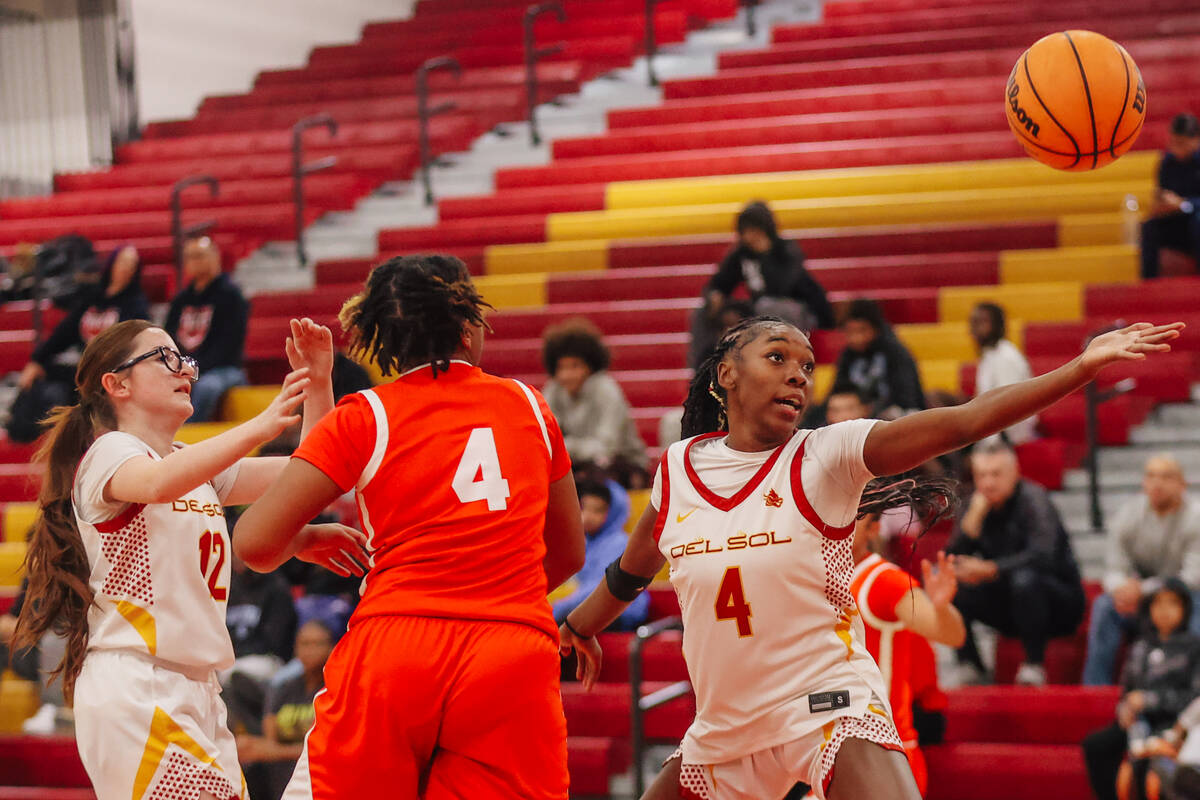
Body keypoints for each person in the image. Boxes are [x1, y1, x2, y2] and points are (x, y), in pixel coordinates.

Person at [559, 314, 1181, 800]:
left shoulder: (826, 454)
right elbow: (630, 571)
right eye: (777, 358)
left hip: (826, 705)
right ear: (726, 373)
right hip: (722, 728)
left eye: (807, 366)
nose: (799, 375)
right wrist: (578, 627)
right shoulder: (678, 469)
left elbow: (963, 421)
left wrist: (1077, 369)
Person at [232, 254, 586, 799]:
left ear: (385, 343)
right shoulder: (530, 405)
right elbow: (568, 552)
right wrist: (494, 600)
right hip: (510, 649)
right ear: (468, 326)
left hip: (397, 648)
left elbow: (254, 543)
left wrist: (306, 540)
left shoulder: (366, 414)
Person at [10, 317, 367, 800]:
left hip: (197, 689)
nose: (186, 371)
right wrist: (260, 424)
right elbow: (159, 484)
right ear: (116, 384)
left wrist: (319, 382)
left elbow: (310, 467)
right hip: (140, 684)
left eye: (187, 360)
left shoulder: (190, 465)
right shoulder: (109, 453)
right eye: (165, 358)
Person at [946, 441, 1085, 686]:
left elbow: (1043, 556)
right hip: (1009, 604)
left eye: (996, 474)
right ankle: (971, 666)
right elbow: (952, 560)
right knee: (951, 583)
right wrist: (970, 527)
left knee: (1025, 579)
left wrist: (992, 569)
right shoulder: (974, 504)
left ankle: (1034, 665)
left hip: (1058, 603)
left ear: (1015, 473)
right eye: (982, 475)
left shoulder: (1035, 499)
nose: (988, 482)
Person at [850, 509, 966, 796]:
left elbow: (951, 635)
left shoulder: (885, 581)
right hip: (832, 749)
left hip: (883, 752)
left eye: (852, 518)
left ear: (873, 529)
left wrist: (941, 607)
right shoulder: (813, 580)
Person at [8, 244, 149, 443]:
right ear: (112, 264)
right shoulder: (92, 298)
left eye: (132, 264)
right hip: (83, 368)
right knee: (45, 374)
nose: (126, 267)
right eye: (123, 262)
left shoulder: (136, 305)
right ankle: (28, 430)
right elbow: (64, 332)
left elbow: (134, 345)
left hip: (111, 372)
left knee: (77, 384)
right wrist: (37, 361)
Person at [1084, 455, 1200, 686]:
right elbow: (1114, 568)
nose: (1157, 483)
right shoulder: (1128, 514)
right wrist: (1122, 589)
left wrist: (1145, 589)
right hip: (1142, 602)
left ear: (1182, 484)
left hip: (1185, 598)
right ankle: (1095, 690)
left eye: (1166, 477)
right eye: (1151, 476)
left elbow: (1193, 577)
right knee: (1105, 606)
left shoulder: (1196, 517)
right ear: (1143, 483)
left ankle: (1194, 692)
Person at [1081, 580, 1200, 800]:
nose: (1164, 611)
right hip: (1139, 722)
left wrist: (1150, 700)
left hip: (1175, 723)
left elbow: (1194, 697)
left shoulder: (1194, 647)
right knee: (1096, 745)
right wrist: (1125, 709)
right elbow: (1127, 689)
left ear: (1185, 609)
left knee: (1150, 764)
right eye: (1158, 604)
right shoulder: (1140, 646)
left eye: (1172, 604)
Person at [689, 201, 834, 369]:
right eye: (746, 231)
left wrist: (765, 256)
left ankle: (777, 368)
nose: (751, 237)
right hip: (760, 310)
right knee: (701, 313)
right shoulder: (741, 254)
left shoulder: (786, 250)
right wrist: (715, 296)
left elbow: (780, 288)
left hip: (797, 310)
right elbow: (719, 283)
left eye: (755, 231)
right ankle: (703, 371)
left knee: (767, 308)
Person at [237, 619, 336, 800]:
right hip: (280, 773)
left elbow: (330, 749)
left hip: (319, 774)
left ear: (332, 648)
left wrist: (275, 752)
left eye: (317, 644)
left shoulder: (335, 688)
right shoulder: (284, 688)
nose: (309, 650)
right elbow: (270, 737)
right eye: (304, 644)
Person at [541, 318, 648, 481]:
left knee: (594, 476)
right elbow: (545, 440)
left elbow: (606, 448)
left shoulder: (606, 389)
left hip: (623, 464)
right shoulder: (553, 390)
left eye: (575, 366)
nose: (567, 374)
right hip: (579, 464)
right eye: (561, 367)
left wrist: (566, 447)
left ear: (590, 367)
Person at [164, 236, 250, 423]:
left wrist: (192, 369)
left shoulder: (231, 296)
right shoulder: (181, 300)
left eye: (200, 256)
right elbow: (168, 337)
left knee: (206, 388)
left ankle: (188, 436)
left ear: (215, 258)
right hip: (187, 366)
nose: (195, 261)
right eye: (190, 257)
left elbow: (228, 345)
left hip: (224, 369)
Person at [553, 478, 649, 632]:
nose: (588, 516)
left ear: (613, 512)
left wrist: (557, 608)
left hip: (622, 611)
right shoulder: (587, 543)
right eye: (584, 508)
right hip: (597, 607)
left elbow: (601, 588)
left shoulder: (619, 542)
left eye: (598, 510)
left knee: (561, 624)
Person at [833, 299, 925, 419]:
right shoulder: (847, 355)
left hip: (895, 415)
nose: (856, 338)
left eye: (862, 330)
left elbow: (907, 397)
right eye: (850, 332)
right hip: (858, 416)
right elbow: (837, 391)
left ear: (875, 329)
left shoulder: (895, 352)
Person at [1140, 113, 1200, 279]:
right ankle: (1149, 283)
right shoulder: (1167, 163)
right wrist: (1160, 206)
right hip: (1177, 222)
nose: (1175, 148)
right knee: (1149, 227)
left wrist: (1183, 204)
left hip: (1195, 219)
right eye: (1173, 142)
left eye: (1181, 143)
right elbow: (1162, 193)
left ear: (1196, 140)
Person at [969, 302, 1037, 445]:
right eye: (973, 322)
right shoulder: (989, 354)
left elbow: (1007, 405)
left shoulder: (1005, 357)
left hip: (1009, 436)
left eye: (981, 321)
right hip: (990, 426)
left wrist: (987, 446)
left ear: (997, 325)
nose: (974, 327)